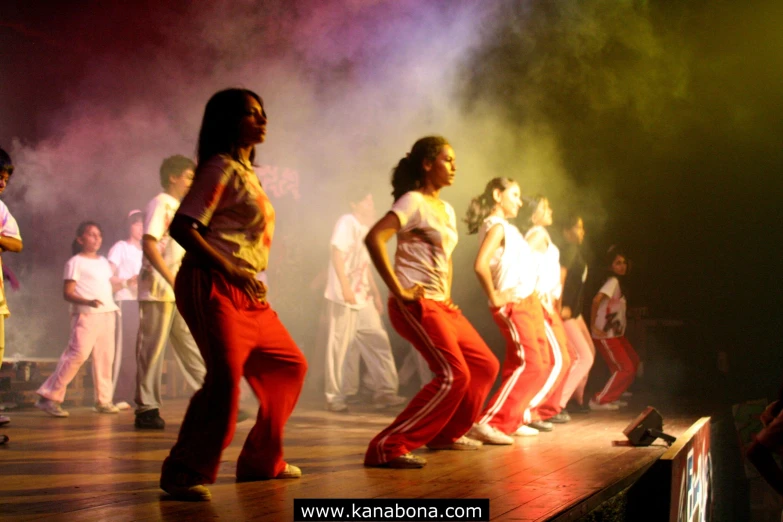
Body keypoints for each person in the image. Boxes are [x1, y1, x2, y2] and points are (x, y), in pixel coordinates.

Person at [160, 88, 307, 501]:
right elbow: (182, 227)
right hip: (211, 283)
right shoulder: (219, 167)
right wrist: (230, 270)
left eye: (263, 113)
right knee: (224, 382)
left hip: (245, 290)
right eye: (250, 113)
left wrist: (245, 275)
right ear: (228, 120)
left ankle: (262, 461)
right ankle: (184, 470)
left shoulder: (246, 171)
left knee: (289, 366)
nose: (262, 120)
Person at [363, 136, 499, 469]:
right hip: (415, 303)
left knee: (485, 366)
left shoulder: (446, 208)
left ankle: (445, 434)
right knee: (454, 375)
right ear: (427, 164)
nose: (454, 166)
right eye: (447, 160)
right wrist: (399, 290)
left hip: (441, 304)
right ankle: (387, 446)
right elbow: (374, 238)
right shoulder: (412, 201)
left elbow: (446, 256)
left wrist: (447, 293)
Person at [463, 178, 551, 444]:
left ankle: (511, 419)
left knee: (541, 362)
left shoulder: (509, 228)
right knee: (531, 363)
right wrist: (495, 295)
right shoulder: (496, 226)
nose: (520, 201)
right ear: (497, 195)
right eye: (514, 194)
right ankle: (490, 422)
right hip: (513, 304)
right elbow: (480, 264)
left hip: (529, 301)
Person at [134, 156, 206, 430]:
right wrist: (171, 278)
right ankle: (146, 408)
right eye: (188, 177)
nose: (191, 182)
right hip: (158, 287)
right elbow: (149, 243)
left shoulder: (180, 207)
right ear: (173, 177)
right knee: (152, 349)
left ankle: (213, 398)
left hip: (177, 288)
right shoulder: (161, 203)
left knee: (190, 344)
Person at [323, 187, 406, 412]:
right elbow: (337, 254)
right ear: (354, 203)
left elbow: (365, 265)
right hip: (344, 296)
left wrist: (376, 294)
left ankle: (385, 392)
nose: (371, 205)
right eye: (366, 202)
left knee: (378, 340)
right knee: (340, 347)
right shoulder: (346, 222)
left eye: (372, 202)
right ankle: (336, 397)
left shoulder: (368, 229)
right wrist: (345, 287)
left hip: (363, 296)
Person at [35, 222, 120, 416]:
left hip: (107, 314)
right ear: (80, 240)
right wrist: (87, 302)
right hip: (86, 314)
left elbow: (108, 287)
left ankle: (104, 400)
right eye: (91, 234)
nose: (96, 238)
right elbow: (67, 293)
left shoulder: (103, 262)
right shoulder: (75, 262)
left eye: (98, 234)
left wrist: (127, 283)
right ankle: (49, 397)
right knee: (77, 355)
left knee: (105, 358)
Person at [523, 196, 572, 431]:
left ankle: (544, 409)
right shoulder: (536, 234)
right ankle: (531, 411)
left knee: (563, 357)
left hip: (548, 303)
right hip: (540, 302)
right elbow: (522, 259)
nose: (550, 209)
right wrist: (533, 291)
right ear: (533, 215)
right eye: (545, 207)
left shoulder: (543, 233)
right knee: (559, 359)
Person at [589, 246, 639, 409]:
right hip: (605, 334)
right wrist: (593, 326)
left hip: (615, 334)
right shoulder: (613, 281)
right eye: (618, 263)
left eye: (624, 263)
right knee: (626, 368)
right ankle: (600, 400)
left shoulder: (618, 283)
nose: (622, 266)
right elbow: (596, 300)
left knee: (633, 361)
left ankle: (614, 394)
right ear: (610, 266)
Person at [558, 213, 595, 414]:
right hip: (567, 311)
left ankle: (578, 400)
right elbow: (561, 276)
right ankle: (558, 403)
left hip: (575, 311)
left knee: (589, 351)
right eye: (578, 227)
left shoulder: (576, 251)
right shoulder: (569, 249)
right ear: (567, 231)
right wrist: (560, 305)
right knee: (584, 357)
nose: (582, 231)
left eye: (582, 227)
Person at [107, 209, 143, 409]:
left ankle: (136, 394)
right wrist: (127, 282)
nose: (141, 228)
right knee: (126, 350)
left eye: (143, 223)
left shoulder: (147, 251)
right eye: (137, 223)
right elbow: (107, 275)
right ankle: (119, 395)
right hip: (125, 302)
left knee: (141, 350)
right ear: (129, 226)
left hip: (143, 303)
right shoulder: (120, 248)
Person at [0, 148, 23, 429]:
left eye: (6, 178)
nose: (3, 183)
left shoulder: (1, 209)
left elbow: (17, 243)